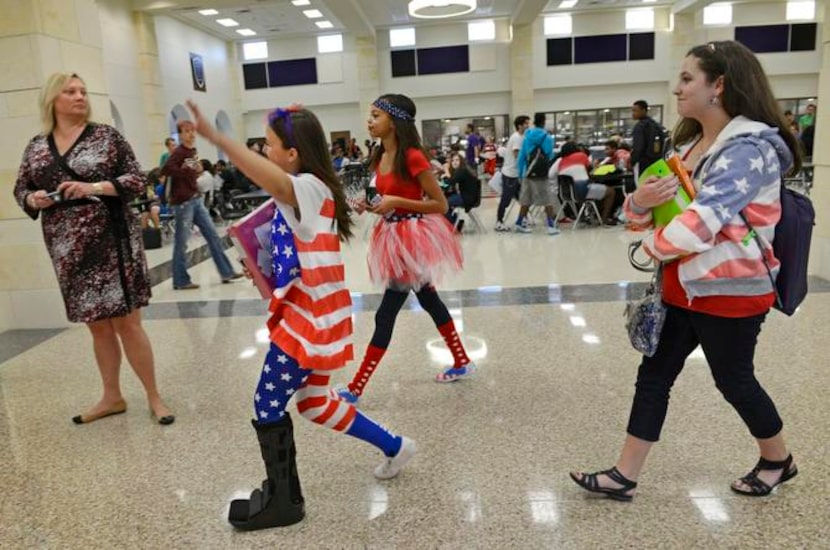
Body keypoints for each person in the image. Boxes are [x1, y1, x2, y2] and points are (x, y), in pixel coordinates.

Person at [570, 40, 802, 501]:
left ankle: (778, 459)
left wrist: (652, 245)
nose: (676, 90)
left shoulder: (747, 150)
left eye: (687, 79)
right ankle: (624, 473)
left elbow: (701, 224)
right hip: (681, 286)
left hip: (730, 291)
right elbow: (640, 215)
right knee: (653, 376)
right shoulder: (690, 146)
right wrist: (640, 203)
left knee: (733, 380)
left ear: (719, 85)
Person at [187, 100, 416, 530]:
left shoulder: (308, 186)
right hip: (315, 312)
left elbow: (268, 178)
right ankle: (394, 446)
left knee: (267, 402)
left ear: (292, 153)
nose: (265, 151)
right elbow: (293, 247)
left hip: (309, 320)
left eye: (270, 145)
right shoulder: (311, 187)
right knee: (312, 403)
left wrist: (218, 139)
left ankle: (284, 502)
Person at [13, 72, 173, 426]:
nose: (79, 96)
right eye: (70, 91)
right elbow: (20, 188)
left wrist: (94, 187)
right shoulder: (37, 146)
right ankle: (111, 397)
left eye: (83, 91)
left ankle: (154, 396)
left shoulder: (106, 137)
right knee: (97, 327)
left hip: (112, 241)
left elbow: (136, 179)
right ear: (52, 99)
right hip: (68, 248)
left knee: (128, 323)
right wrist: (33, 198)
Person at [332, 94, 475, 405]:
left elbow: (440, 204)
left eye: (375, 116)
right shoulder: (380, 156)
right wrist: (372, 206)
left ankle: (356, 388)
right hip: (394, 236)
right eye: (369, 115)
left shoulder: (412, 156)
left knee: (386, 315)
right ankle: (462, 360)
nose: (369, 121)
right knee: (429, 300)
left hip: (413, 239)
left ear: (394, 121)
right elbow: (386, 198)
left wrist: (396, 203)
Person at [161, 120, 242, 290]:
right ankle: (180, 280)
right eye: (186, 131)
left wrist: (194, 170)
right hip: (183, 203)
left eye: (192, 130)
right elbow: (167, 169)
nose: (191, 134)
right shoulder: (179, 152)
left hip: (195, 200)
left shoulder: (191, 151)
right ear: (181, 134)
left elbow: (193, 170)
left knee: (213, 236)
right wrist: (186, 171)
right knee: (181, 242)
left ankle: (226, 271)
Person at [549, 141, 617, 225]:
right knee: (611, 191)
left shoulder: (562, 161)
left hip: (567, 194)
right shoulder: (581, 155)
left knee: (594, 188)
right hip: (582, 192)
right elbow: (590, 170)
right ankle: (604, 219)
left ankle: (586, 215)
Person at [515, 112, 559, 235]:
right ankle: (551, 226)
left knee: (526, 199)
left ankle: (519, 223)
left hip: (527, 172)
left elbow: (521, 156)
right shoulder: (548, 138)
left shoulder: (527, 136)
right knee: (547, 199)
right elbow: (550, 156)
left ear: (534, 122)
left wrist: (519, 174)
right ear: (544, 122)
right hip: (541, 173)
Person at [495, 115, 529, 232]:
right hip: (510, 174)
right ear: (520, 125)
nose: (528, 126)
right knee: (506, 200)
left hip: (516, 174)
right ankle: (499, 222)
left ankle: (522, 219)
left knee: (523, 198)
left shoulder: (522, 137)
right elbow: (517, 156)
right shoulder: (517, 138)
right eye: (526, 124)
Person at [444, 151, 481, 230]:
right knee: (449, 200)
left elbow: (450, 182)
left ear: (461, 161)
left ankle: (453, 224)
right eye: (453, 160)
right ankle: (456, 223)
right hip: (470, 197)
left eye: (457, 160)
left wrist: (446, 170)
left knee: (445, 203)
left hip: (467, 198)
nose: (454, 162)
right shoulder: (464, 169)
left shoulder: (462, 171)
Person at [630, 100, 664, 173]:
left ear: (644, 110)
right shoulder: (656, 125)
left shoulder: (640, 126)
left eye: (635, 111)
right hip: (658, 162)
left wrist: (632, 162)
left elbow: (638, 147)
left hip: (644, 163)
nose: (633, 114)